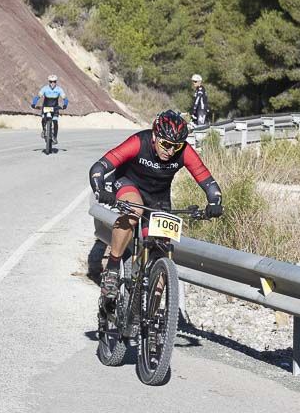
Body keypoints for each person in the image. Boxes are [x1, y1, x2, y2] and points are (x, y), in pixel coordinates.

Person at [89, 110, 224, 297]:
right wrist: (100, 190)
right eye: (166, 144)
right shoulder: (139, 142)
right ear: (154, 136)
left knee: (162, 245)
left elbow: (208, 182)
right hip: (128, 184)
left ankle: (154, 306)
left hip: (158, 197)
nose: (170, 151)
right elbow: (100, 166)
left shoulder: (184, 151)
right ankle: (112, 269)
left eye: (175, 147)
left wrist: (214, 202)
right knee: (134, 210)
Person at [30, 74, 69, 144]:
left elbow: (65, 98)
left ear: (56, 82)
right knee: (43, 119)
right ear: (49, 82)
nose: (52, 83)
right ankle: (44, 130)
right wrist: (34, 103)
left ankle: (55, 137)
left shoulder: (59, 89)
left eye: (54, 81)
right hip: (46, 107)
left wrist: (65, 105)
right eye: (51, 81)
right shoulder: (45, 88)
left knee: (55, 122)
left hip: (55, 108)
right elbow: (38, 97)